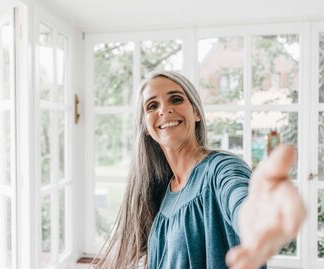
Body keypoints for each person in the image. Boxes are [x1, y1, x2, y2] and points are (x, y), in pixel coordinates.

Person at [94, 71, 306, 269]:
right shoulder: (162, 192)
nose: (164, 109)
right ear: (146, 128)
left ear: (196, 112)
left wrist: (256, 217)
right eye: (151, 106)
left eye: (175, 99)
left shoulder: (221, 168)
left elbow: (241, 200)